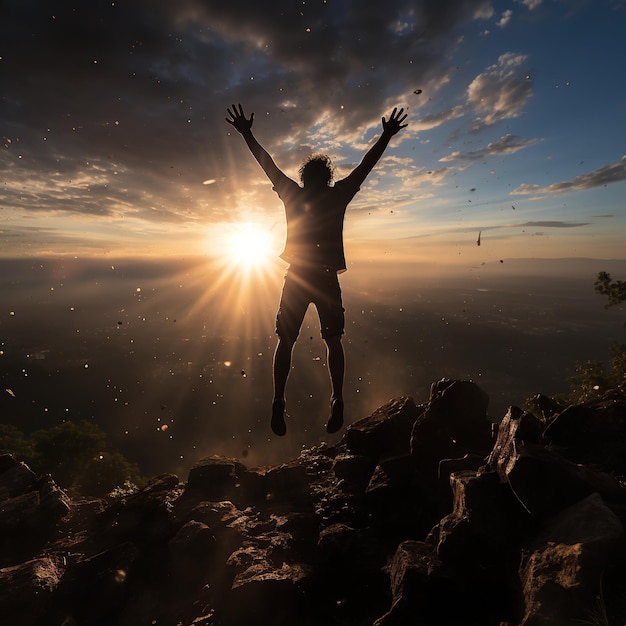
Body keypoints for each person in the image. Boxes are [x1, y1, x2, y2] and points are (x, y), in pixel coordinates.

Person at [226, 103, 408, 436]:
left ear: (303, 178)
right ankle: (337, 398)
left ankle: (278, 400)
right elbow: (366, 165)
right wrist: (385, 136)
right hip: (325, 278)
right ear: (328, 177)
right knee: (333, 340)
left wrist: (247, 134)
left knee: (286, 340)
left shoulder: (291, 194)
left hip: (296, 276)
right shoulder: (338, 196)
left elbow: (267, 165)